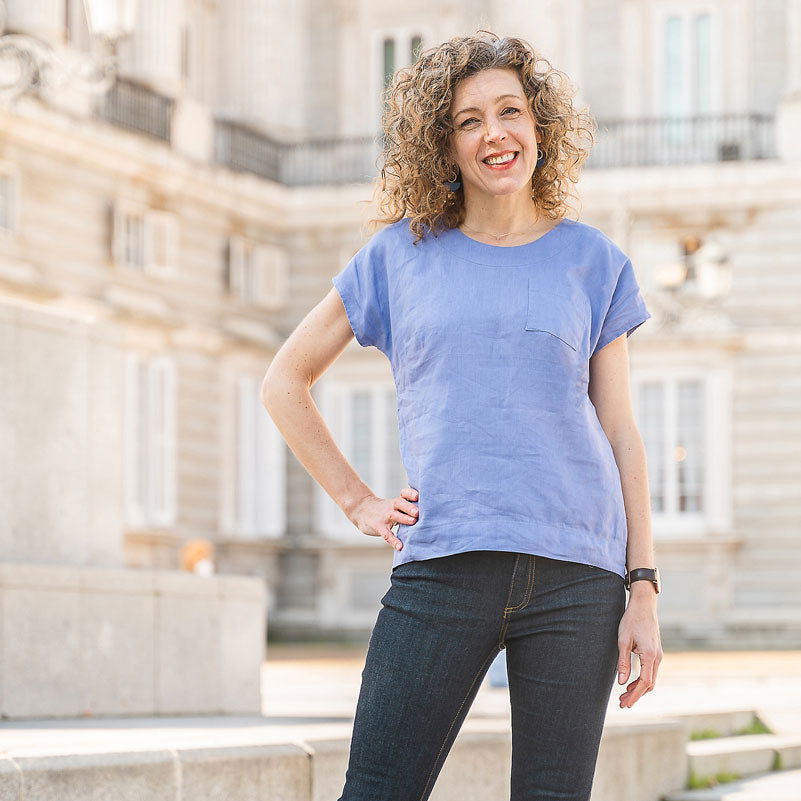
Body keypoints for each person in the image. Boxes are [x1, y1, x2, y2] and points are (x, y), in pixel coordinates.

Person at [261, 30, 663, 801]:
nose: (494, 133)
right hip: (441, 565)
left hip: (578, 576)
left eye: (509, 111)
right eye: (467, 121)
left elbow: (619, 431)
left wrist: (640, 588)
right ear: (442, 145)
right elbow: (284, 381)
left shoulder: (594, 262)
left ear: (539, 125)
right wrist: (357, 499)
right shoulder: (397, 256)